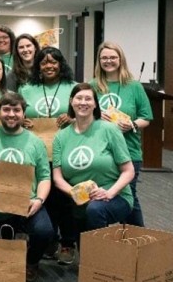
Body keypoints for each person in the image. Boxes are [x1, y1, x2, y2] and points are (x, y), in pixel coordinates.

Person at [0, 92, 53, 282]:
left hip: (27, 203)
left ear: (24, 113)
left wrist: (39, 200)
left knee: (44, 231)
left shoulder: (35, 142)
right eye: (6, 109)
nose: (11, 114)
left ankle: (31, 262)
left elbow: (44, 177)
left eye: (16, 110)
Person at [18, 46, 76, 264]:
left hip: (66, 151)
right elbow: (18, 111)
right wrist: (21, 120)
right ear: (38, 66)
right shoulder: (27, 88)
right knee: (45, 197)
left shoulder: (72, 87)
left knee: (65, 198)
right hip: (36, 152)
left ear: (61, 64)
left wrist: (72, 119)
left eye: (53, 62)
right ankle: (49, 241)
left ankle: (68, 243)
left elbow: (88, 112)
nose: (49, 66)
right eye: (44, 62)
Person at [52, 83, 134, 236]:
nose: (83, 102)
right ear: (71, 101)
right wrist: (76, 193)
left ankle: (101, 256)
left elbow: (128, 171)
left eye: (88, 99)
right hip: (79, 199)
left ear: (95, 104)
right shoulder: (60, 137)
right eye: (79, 98)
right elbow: (57, 178)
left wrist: (109, 193)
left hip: (115, 196)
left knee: (95, 209)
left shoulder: (110, 130)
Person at [91, 42, 152, 227]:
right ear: (99, 61)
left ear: (120, 59)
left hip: (129, 150)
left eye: (112, 57)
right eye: (104, 58)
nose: (108, 61)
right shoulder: (93, 85)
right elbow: (82, 111)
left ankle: (137, 241)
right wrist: (95, 115)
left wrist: (132, 124)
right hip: (101, 152)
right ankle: (114, 243)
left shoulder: (134, 86)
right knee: (103, 196)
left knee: (128, 196)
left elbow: (146, 117)